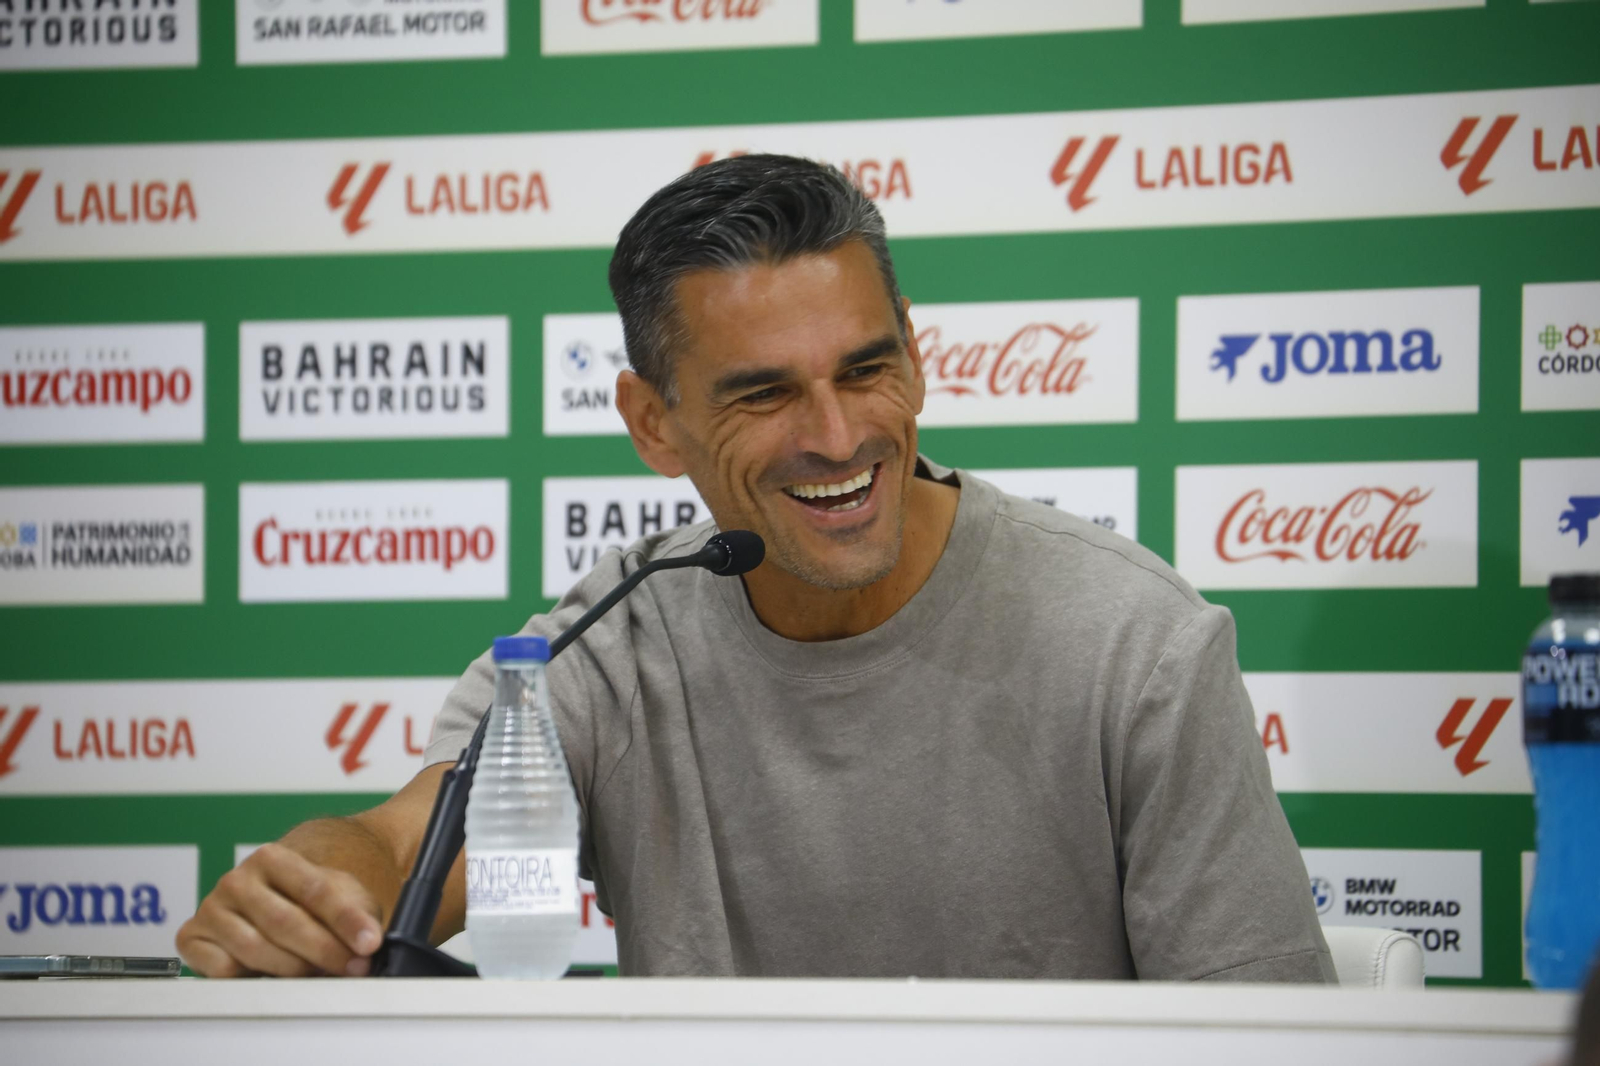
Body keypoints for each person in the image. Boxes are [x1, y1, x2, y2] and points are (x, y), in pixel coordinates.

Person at [177, 155, 1336, 982]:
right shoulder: (610, 644)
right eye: (764, 392)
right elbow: (400, 847)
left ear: (917, 356)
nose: (836, 437)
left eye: (865, 369)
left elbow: (1263, 1028)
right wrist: (314, 896)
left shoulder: (1134, 641)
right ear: (653, 421)